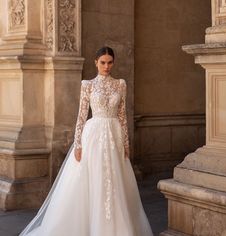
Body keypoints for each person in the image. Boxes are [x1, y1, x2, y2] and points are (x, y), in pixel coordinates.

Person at [20, 47, 153, 236]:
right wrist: (78, 143)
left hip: (114, 133)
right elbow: (81, 116)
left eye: (110, 62)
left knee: (115, 179)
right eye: (103, 62)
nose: (106, 66)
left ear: (113, 63)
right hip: (94, 135)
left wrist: (126, 143)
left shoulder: (120, 84)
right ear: (95, 62)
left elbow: (123, 116)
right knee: (93, 177)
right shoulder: (87, 85)